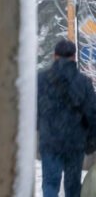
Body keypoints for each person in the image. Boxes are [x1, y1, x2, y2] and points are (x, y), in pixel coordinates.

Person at [38, 39, 96, 197]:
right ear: (74, 57)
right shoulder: (84, 82)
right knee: (72, 186)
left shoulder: (41, 81)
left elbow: (33, 109)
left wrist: (41, 129)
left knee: (50, 184)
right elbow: (92, 113)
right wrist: (91, 140)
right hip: (74, 143)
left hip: (50, 142)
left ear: (54, 56)